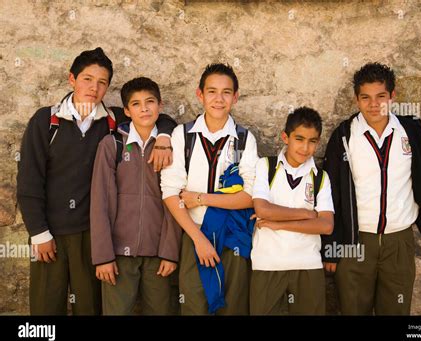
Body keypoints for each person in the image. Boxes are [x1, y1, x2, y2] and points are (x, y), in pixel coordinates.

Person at [17, 47, 175, 315]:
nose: (94, 87)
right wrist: (38, 232)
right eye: (87, 79)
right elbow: (29, 181)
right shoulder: (47, 121)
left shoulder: (112, 120)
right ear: (72, 79)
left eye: (102, 82)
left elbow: (158, 116)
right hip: (50, 233)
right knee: (45, 308)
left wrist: (165, 137)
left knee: (89, 307)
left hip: (91, 235)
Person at [322, 62, 421, 315]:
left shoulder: (411, 131)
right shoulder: (344, 135)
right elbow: (329, 195)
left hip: (399, 241)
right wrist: (331, 248)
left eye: (381, 97)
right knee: (353, 310)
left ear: (392, 96)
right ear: (356, 100)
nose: (373, 104)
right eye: (365, 97)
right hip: (355, 241)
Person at [160, 63, 259, 315]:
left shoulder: (244, 139)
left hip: (232, 237)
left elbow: (249, 197)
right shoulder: (183, 135)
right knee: (193, 304)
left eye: (226, 92)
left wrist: (201, 198)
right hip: (194, 235)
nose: (219, 98)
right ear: (199, 94)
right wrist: (199, 239)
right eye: (212, 91)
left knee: (233, 305)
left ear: (235, 97)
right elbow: (171, 193)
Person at [91, 77, 181, 315]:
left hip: (158, 254)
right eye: (136, 104)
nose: (144, 108)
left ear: (160, 106)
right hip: (119, 254)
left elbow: (175, 200)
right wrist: (103, 256)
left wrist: (170, 252)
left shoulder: (171, 146)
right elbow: (99, 203)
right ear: (127, 111)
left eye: (150, 102)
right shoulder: (112, 146)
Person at [250, 107, 334, 315]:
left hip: (308, 265)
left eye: (312, 141)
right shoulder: (265, 166)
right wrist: (306, 214)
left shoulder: (320, 177)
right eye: (299, 139)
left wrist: (279, 223)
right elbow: (262, 208)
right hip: (267, 264)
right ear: (285, 137)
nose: (305, 148)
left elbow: (326, 225)